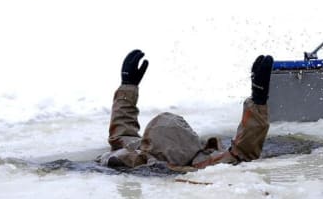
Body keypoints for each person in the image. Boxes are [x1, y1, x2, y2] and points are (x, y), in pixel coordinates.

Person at [98, 49, 273, 171]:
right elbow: (241, 154)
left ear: (148, 142)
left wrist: (127, 86)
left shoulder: (139, 155)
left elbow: (121, 134)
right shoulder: (202, 163)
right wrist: (258, 99)